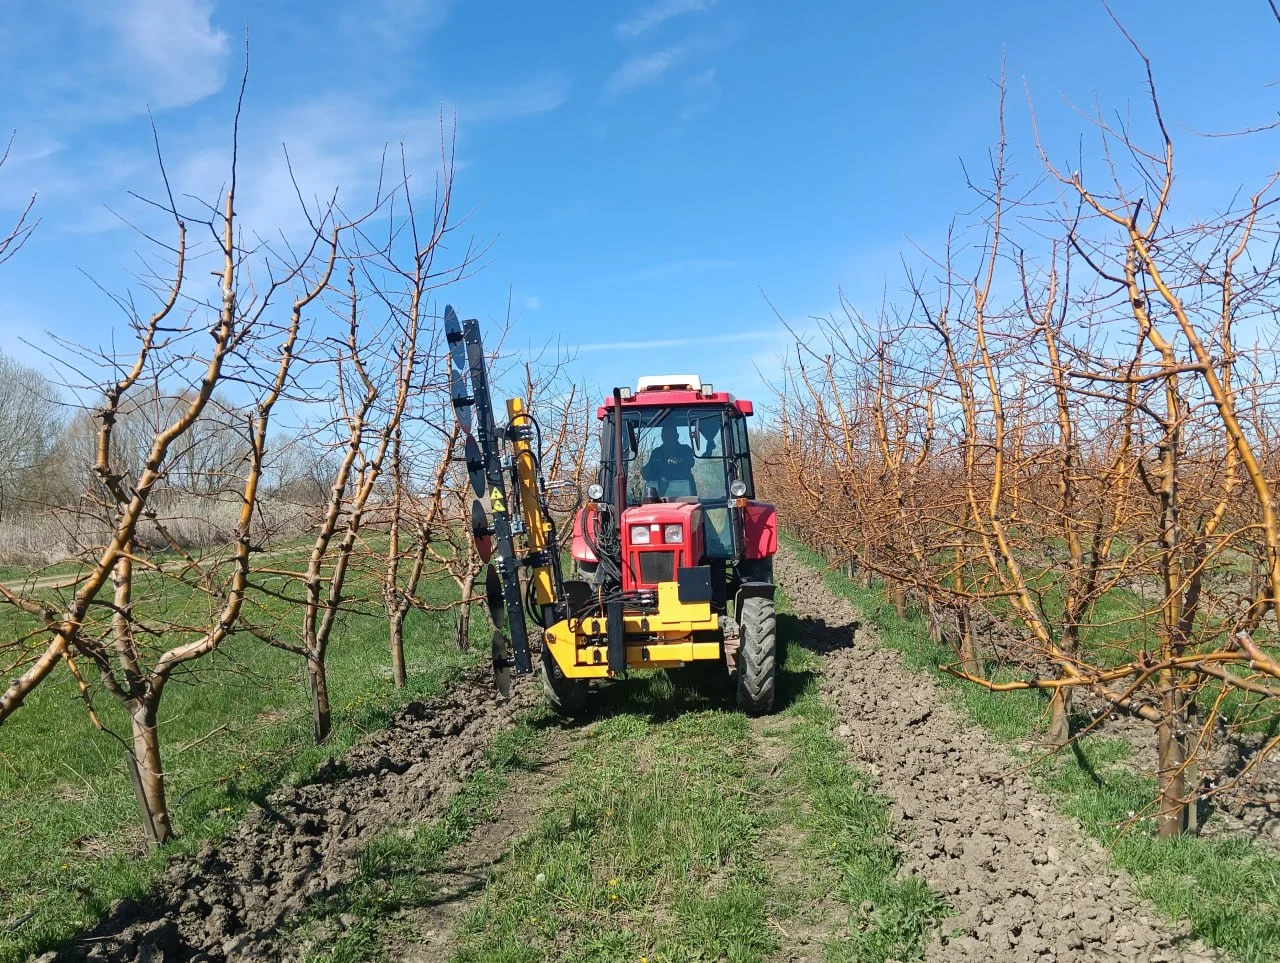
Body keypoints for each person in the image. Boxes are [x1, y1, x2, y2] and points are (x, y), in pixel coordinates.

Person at [642, 421, 695, 498]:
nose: (668, 438)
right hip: (660, 497)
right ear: (662, 437)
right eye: (665, 435)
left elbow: (691, 462)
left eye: (671, 435)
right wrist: (645, 471)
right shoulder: (656, 452)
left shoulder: (685, 449)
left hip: (685, 496)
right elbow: (650, 469)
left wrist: (679, 461)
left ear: (677, 436)